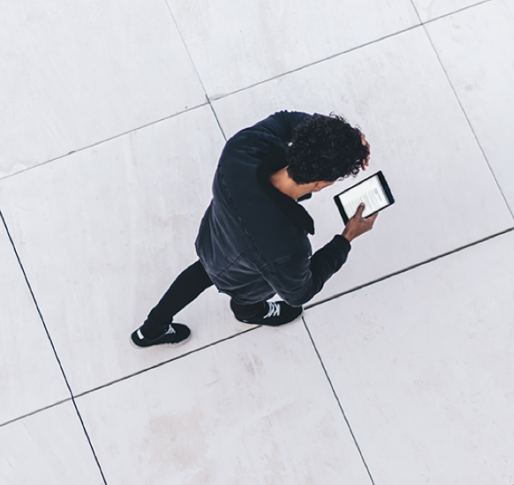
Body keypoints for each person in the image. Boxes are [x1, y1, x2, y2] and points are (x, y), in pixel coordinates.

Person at [130, 110, 376, 347]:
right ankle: (249, 315)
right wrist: (346, 238)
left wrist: (340, 138)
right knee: (247, 300)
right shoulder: (288, 247)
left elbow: (286, 120)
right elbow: (299, 293)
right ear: (322, 184)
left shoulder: (243, 147)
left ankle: (151, 329)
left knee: (201, 272)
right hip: (244, 276)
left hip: (214, 240)